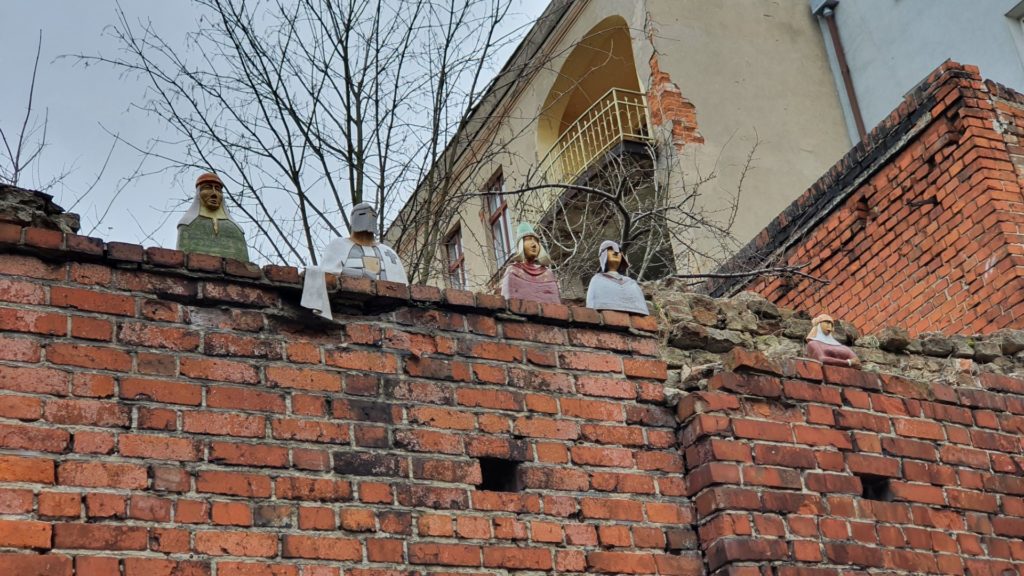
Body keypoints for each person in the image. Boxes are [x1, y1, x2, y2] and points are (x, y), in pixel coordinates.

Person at [301, 202, 408, 320]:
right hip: (346, 305)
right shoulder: (339, 245)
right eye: (362, 214)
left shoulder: (388, 252)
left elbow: (401, 287)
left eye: (371, 215)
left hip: (385, 308)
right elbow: (328, 275)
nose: (367, 218)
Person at [176, 172, 250, 261]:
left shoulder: (236, 230)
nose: (214, 194)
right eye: (208, 188)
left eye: (218, 189)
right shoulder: (188, 224)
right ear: (198, 193)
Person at [500, 222, 560, 304]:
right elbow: (509, 302)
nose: (534, 245)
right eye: (528, 239)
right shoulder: (513, 271)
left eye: (536, 241)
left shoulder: (547, 274)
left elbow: (555, 304)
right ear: (521, 244)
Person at [585, 240, 648, 315]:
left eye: (618, 251)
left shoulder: (631, 282)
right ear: (603, 255)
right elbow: (592, 308)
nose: (616, 253)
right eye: (611, 250)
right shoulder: (597, 280)